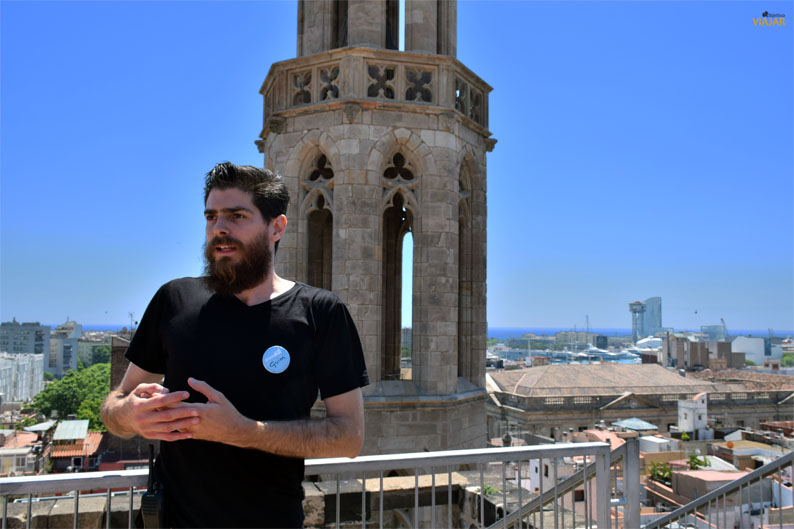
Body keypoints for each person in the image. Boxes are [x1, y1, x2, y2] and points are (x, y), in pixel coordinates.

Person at [100, 162, 369, 528]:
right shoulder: (173, 299)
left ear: (276, 227)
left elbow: (348, 438)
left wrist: (244, 432)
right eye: (211, 217)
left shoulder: (321, 312)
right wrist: (130, 414)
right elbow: (114, 408)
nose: (219, 229)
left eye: (237, 216)